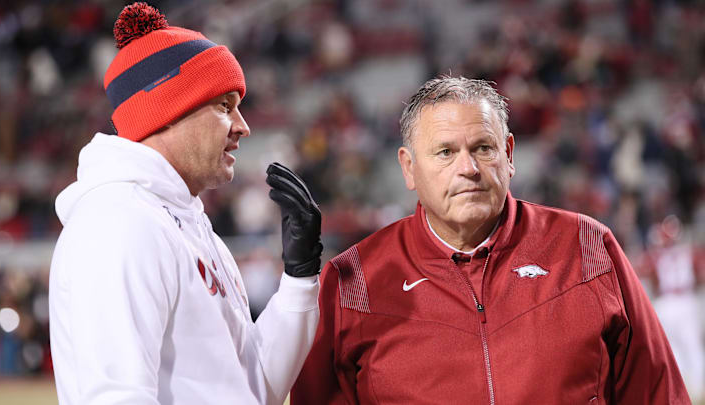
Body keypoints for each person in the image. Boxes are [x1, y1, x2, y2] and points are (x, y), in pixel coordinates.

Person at [291, 76, 690, 404]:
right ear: (408, 168)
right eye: (445, 152)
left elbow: (657, 392)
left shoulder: (587, 247)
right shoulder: (354, 280)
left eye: (483, 148)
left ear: (509, 154)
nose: (468, 168)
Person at [49, 3, 322, 405]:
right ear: (168, 111)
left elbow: (252, 388)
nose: (243, 126)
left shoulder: (181, 220)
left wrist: (299, 280)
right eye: (224, 106)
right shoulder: (120, 221)